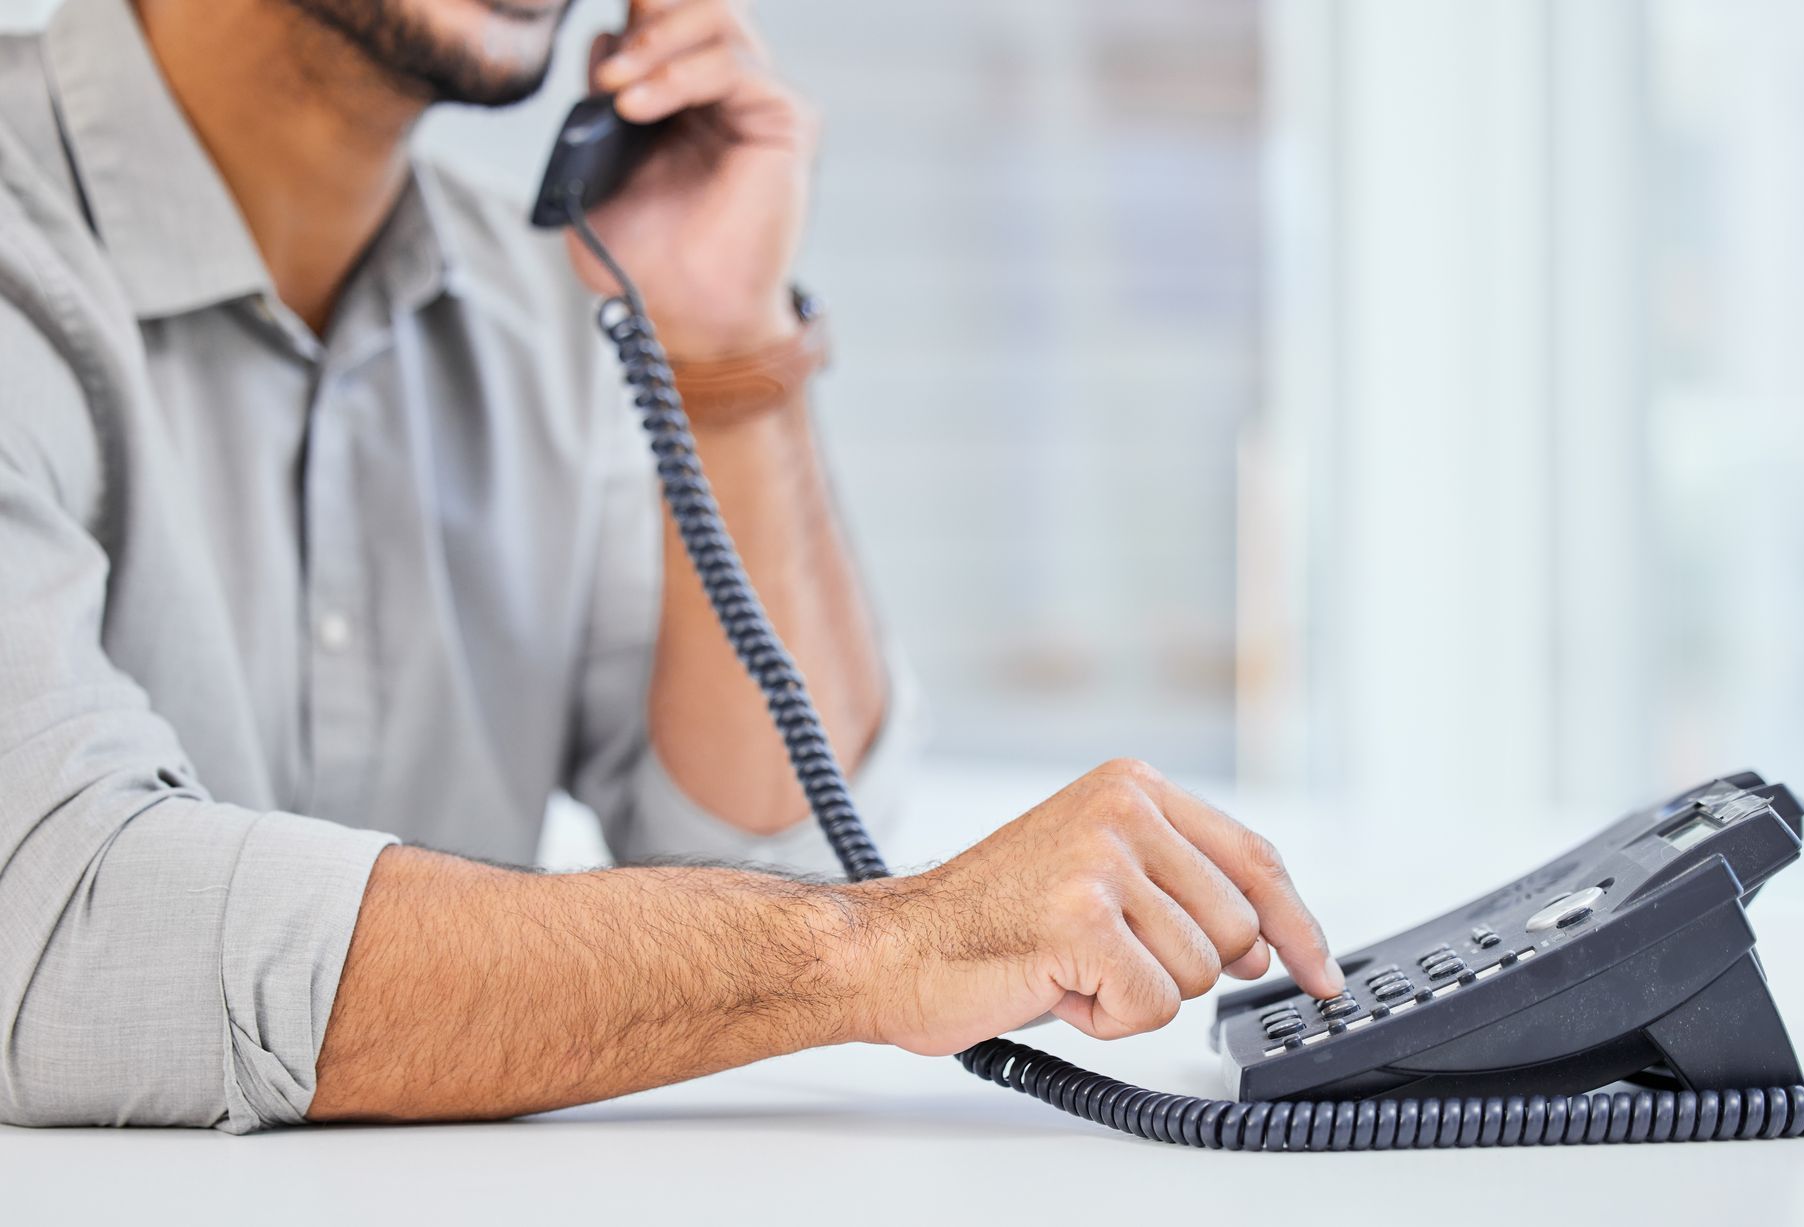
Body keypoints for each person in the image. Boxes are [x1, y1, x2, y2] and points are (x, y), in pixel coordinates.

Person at [0, 0, 1344, 1131]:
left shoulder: (541, 301)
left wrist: (724, 367)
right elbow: (61, 934)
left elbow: (775, 855)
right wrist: (879, 952)